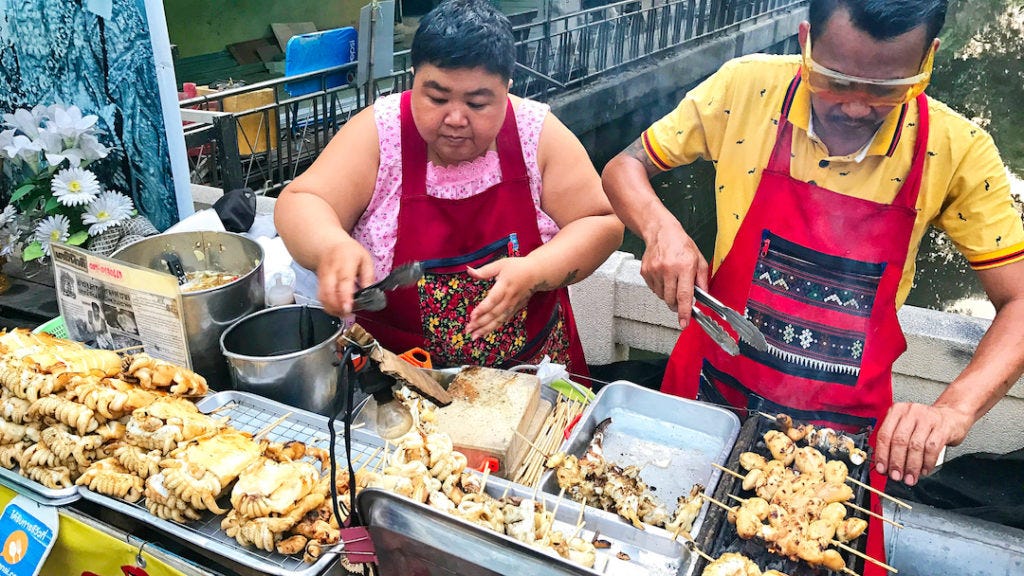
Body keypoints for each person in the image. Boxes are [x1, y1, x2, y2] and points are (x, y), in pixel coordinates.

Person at [602, 0, 1024, 564]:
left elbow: (1019, 299)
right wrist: (661, 230)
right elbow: (624, 166)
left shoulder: (958, 149)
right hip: (708, 394)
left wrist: (953, 410)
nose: (854, 106)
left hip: (839, 440)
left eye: (887, 88)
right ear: (805, 39)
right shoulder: (744, 90)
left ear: (929, 59)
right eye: (834, 80)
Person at [275, 0, 622, 374]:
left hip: (529, 377)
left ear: (506, 88)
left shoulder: (536, 135)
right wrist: (331, 246)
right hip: (395, 382)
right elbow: (302, 200)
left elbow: (600, 222)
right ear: (414, 79)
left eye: (477, 103)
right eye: (437, 98)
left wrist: (537, 270)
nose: (455, 119)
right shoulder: (381, 133)